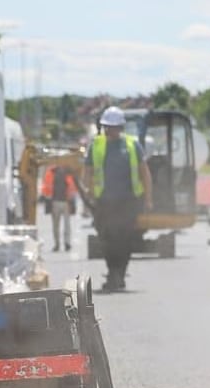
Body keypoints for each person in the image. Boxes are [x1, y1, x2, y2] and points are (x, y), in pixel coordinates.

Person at [81, 106, 153, 292]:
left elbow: (145, 173)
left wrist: (148, 198)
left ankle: (119, 274)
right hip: (104, 203)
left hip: (128, 202)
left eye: (113, 127)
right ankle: (113, 271)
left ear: (121, 127)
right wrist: (88, 194)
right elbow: (86, 173)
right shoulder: (96, 145)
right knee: (107, 239)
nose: (110, 131)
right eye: (107, 127)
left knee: (125, 240)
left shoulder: (132, 145)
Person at [41, 165, 78, 251]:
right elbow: (72, 189)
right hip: (64, 202)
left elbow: (46, 189)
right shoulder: (67, 174)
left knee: (57, 225)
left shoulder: (50, 174)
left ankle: (58, 244)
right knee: (66, 225)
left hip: (57, 202)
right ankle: (65, 243)